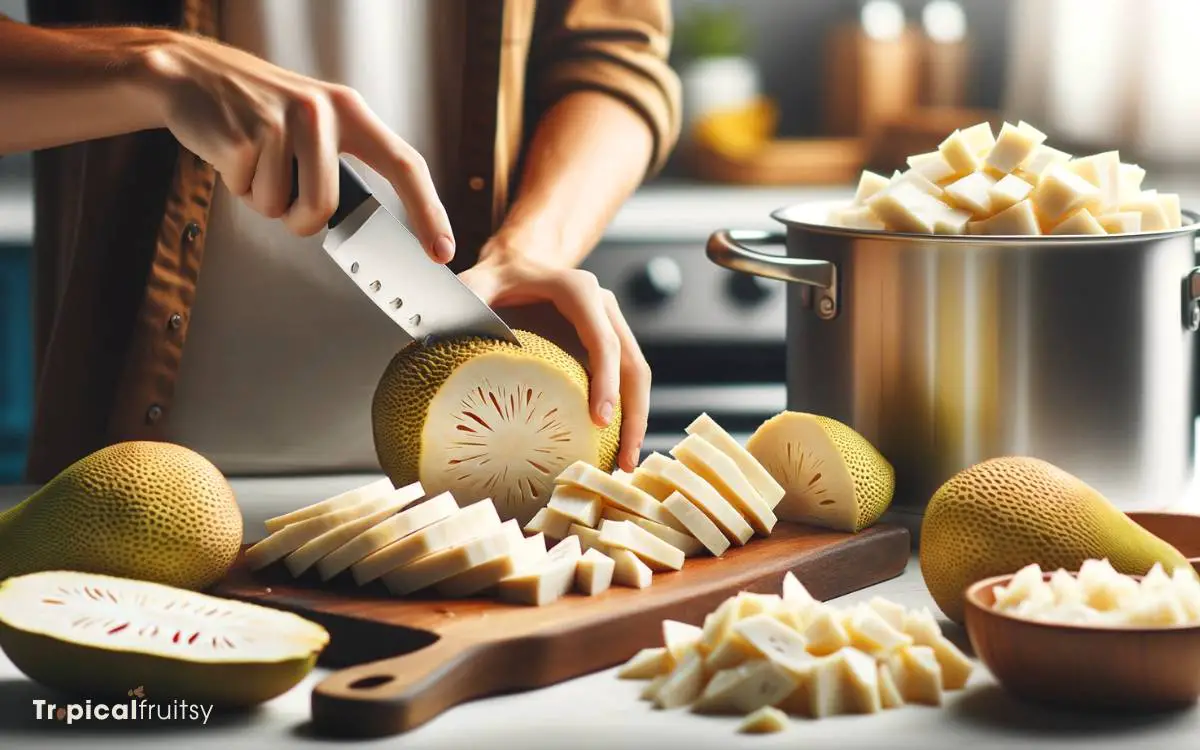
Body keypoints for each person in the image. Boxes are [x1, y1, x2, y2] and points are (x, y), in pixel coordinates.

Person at [0, 1, 680, 482]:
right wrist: (155, 66)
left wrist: (536, 243)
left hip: (450, 504)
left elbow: (614, 60)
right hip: (134, 481)